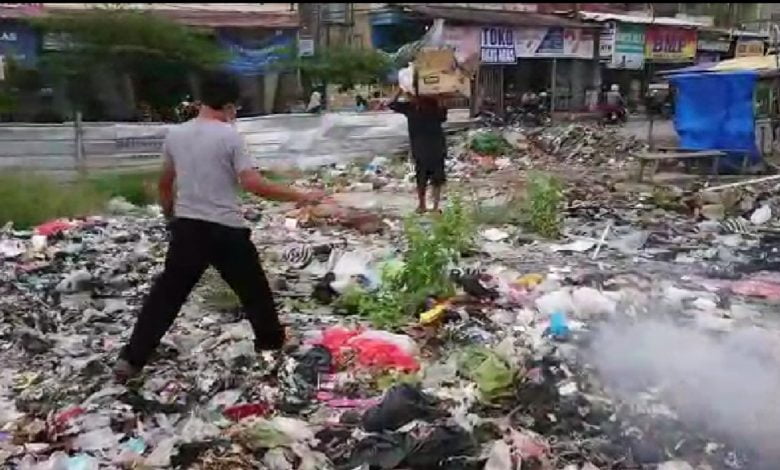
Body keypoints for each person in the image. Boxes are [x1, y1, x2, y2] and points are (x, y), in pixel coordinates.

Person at [114, 71, 325, 383]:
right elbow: (252, 183)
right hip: (225, 229)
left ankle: (131, 360)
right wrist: (301, 194)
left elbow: (164, 184)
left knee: (166, 296)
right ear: (229, 105)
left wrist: (171, 217)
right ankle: (271, 345)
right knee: (254, 291)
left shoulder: (176, 134)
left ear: (201, 100)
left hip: (188, 227)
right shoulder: (229, 136)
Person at [388, 90, 447, 213]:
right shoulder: (416, 106)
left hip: (428, 148)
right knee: (429, 179)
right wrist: (401, 90)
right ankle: (427, 206)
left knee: (428, 179)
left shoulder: (422, 106)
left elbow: (391, 103)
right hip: (431, 148)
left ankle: (427, 206)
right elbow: (391, 104)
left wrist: (401, 90)